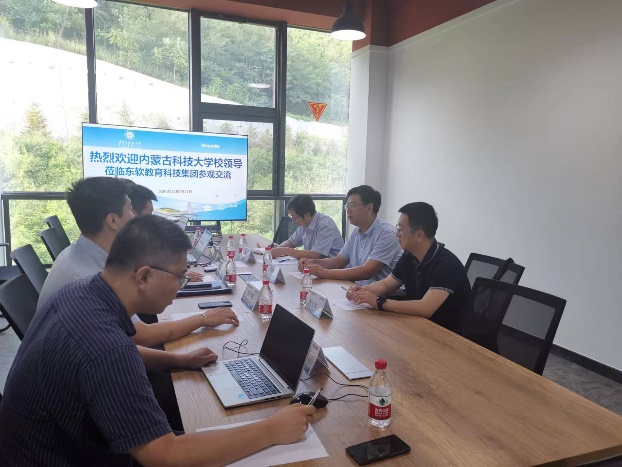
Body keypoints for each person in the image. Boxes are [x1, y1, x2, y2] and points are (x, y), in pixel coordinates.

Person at [0, 215, 316, 466]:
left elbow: (116, 354)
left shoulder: (79, 292)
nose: (180, 286)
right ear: (144, 276)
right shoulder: (105, 349)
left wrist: (179, 360)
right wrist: (270, 429)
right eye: (179, 276)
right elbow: (164, 456)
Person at [36, 177, 236, 349]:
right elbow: (141, 337)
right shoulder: (88, 278)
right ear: (112, 221)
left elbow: (121, 343)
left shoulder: (79, 254)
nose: (135, 217)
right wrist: (203, 319)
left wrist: (180, 360)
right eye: (130, 211)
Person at [347, 202, 471, 333]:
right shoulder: (409, 256)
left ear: (419, 235)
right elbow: (386, 285)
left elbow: (425, 308)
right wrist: (362, 291)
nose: (397, 234)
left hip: (447, 334)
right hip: (419, 326)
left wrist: (378, 302)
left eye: (400, 229)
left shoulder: (446, 265)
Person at [298, 185, 402, 285]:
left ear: (369, 207)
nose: (348, 210)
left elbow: (367, 271)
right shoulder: (356, 232)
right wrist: (312, 262)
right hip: (357, 289)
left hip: (382, 294)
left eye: (353, 205)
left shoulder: (387, 234)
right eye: (347, 205)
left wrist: (325, 273)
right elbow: (337, 262)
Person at [270, 194, 344, 259]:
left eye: (295, 218)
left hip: (333, 267)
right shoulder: (304, 224)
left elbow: (315, 255)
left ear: (307, 214)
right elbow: (291, 242)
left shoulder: (325, 225)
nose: (292, 220)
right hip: (315, 264)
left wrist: (286, 251)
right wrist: (278, 249)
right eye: (291, 217)